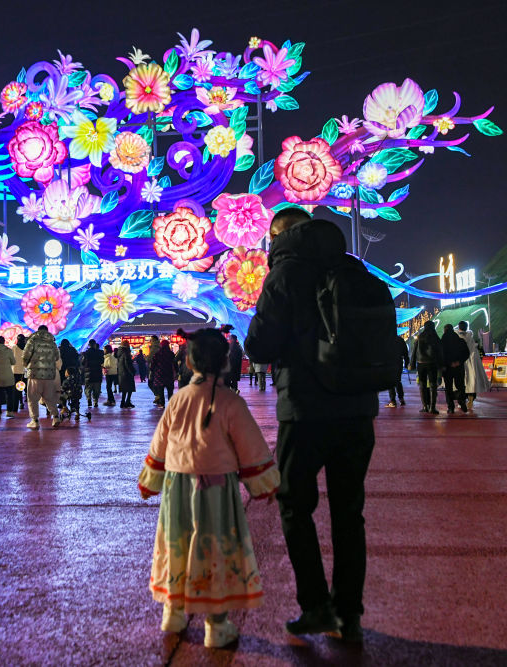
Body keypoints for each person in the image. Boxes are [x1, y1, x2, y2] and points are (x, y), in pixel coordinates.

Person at [244, 208, 377, 643]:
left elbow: (259, 346)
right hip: (357, 409)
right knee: (348, 511)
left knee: (294, 505)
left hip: (305, 411)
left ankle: (316, 606)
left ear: (280, 235)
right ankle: (348, 613)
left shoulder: (284, 274)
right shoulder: (350, 267)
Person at [138, 327, 280, 648]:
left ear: (189, 361)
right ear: (226, 362)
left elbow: (160, 445)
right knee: (216, 550)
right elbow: (252, 449)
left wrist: (150, 481)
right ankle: (216, 624)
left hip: (177, 487)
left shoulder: (178, 399)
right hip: (218, 491)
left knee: (177, 546)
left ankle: (173, 612)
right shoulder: (231, 402)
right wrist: (265, 484)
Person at [23, 325, 61, 429]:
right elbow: (57, 357)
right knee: (49, 397)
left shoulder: (32, 340)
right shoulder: (52, 342)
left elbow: (26, 355)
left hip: (34, 374)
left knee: (32, 398)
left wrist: (26, 365)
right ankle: (56, 417)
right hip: (49, 374)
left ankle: (35, 421)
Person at [410, 322, 443, 415]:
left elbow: (414, 351)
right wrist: (441, 364)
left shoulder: (420, 337)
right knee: (433, 385)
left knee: (422, 385)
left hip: (421, 364)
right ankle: (432, 407)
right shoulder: (435, 337)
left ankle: (425, 406)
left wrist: (412, 364)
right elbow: (440, 352)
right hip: (432, 364)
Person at [457, 321, 489, 410]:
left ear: (459, 327)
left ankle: (462, 400)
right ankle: (471, 398)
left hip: (461, 363)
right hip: (472, 363)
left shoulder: (457, 338)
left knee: (461, 382)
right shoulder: (471, 339)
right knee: (472, 380)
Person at [440, 323, 469, 414]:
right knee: (460, 385)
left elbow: (440, 356)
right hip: (458, 367)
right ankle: (461, 400)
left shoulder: (442, 342)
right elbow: (466, 353)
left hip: (447, 368)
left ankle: (451, 407)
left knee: (448, 387)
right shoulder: (460, 341)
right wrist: (459, 362)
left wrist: (446, 364)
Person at [149, 337, 176, 407]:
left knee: (160, 389)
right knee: (170, 390)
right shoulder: (171, 354)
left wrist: (152, 371)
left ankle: (162, 403)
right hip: (169, 374)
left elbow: (153, 364)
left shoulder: (157, 354)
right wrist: (177, 371)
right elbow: (175, 363)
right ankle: (171, 403)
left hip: (159, 374)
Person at [385, 335, 409, 408]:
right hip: (399, 362)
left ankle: (393, 401)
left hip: (389, 363)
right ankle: (401, 399)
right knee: (398, 380)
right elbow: (405, 353)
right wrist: (406, 363)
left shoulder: (387, 339)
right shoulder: (400, 340)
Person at [80, 340, 105, 408]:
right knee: (97, 388)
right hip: (97, 372)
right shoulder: (99, 352)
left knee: (88, 387)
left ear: (89, 345)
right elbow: (102, 361)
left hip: (88, 372)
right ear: (95, 344)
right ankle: (95, 401)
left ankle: (89, 399)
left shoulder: (86, 353)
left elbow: (83, 363)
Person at [116, 341, 137, 408]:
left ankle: (123, 402)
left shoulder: (120, 352)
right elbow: (127, 364)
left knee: (124, 389)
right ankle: (127, 402)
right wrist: (132, 371)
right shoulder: (126, 353)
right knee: (130, 389)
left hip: (121, 373)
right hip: (127, 373)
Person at [13, 334, 27, 411]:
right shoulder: (27, 348)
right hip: (25, 371)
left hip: (16, 371)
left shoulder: (14, 348)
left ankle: (17, 405)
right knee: (26, 388)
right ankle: (23, 403)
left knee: (17, 389)